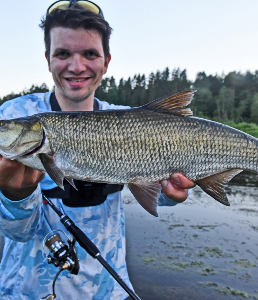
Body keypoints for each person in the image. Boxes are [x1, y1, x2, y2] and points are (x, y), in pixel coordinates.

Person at [0, 1, 195, 299]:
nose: (76, 66)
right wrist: (15, 194)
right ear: (48, 58)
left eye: (90, 54)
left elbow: (155, 188)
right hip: (27, 290)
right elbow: (17, 232)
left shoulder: (132, 120)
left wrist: (172, 193)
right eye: (63, 53)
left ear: (106, 61)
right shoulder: (15, 114)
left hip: (109, 289)